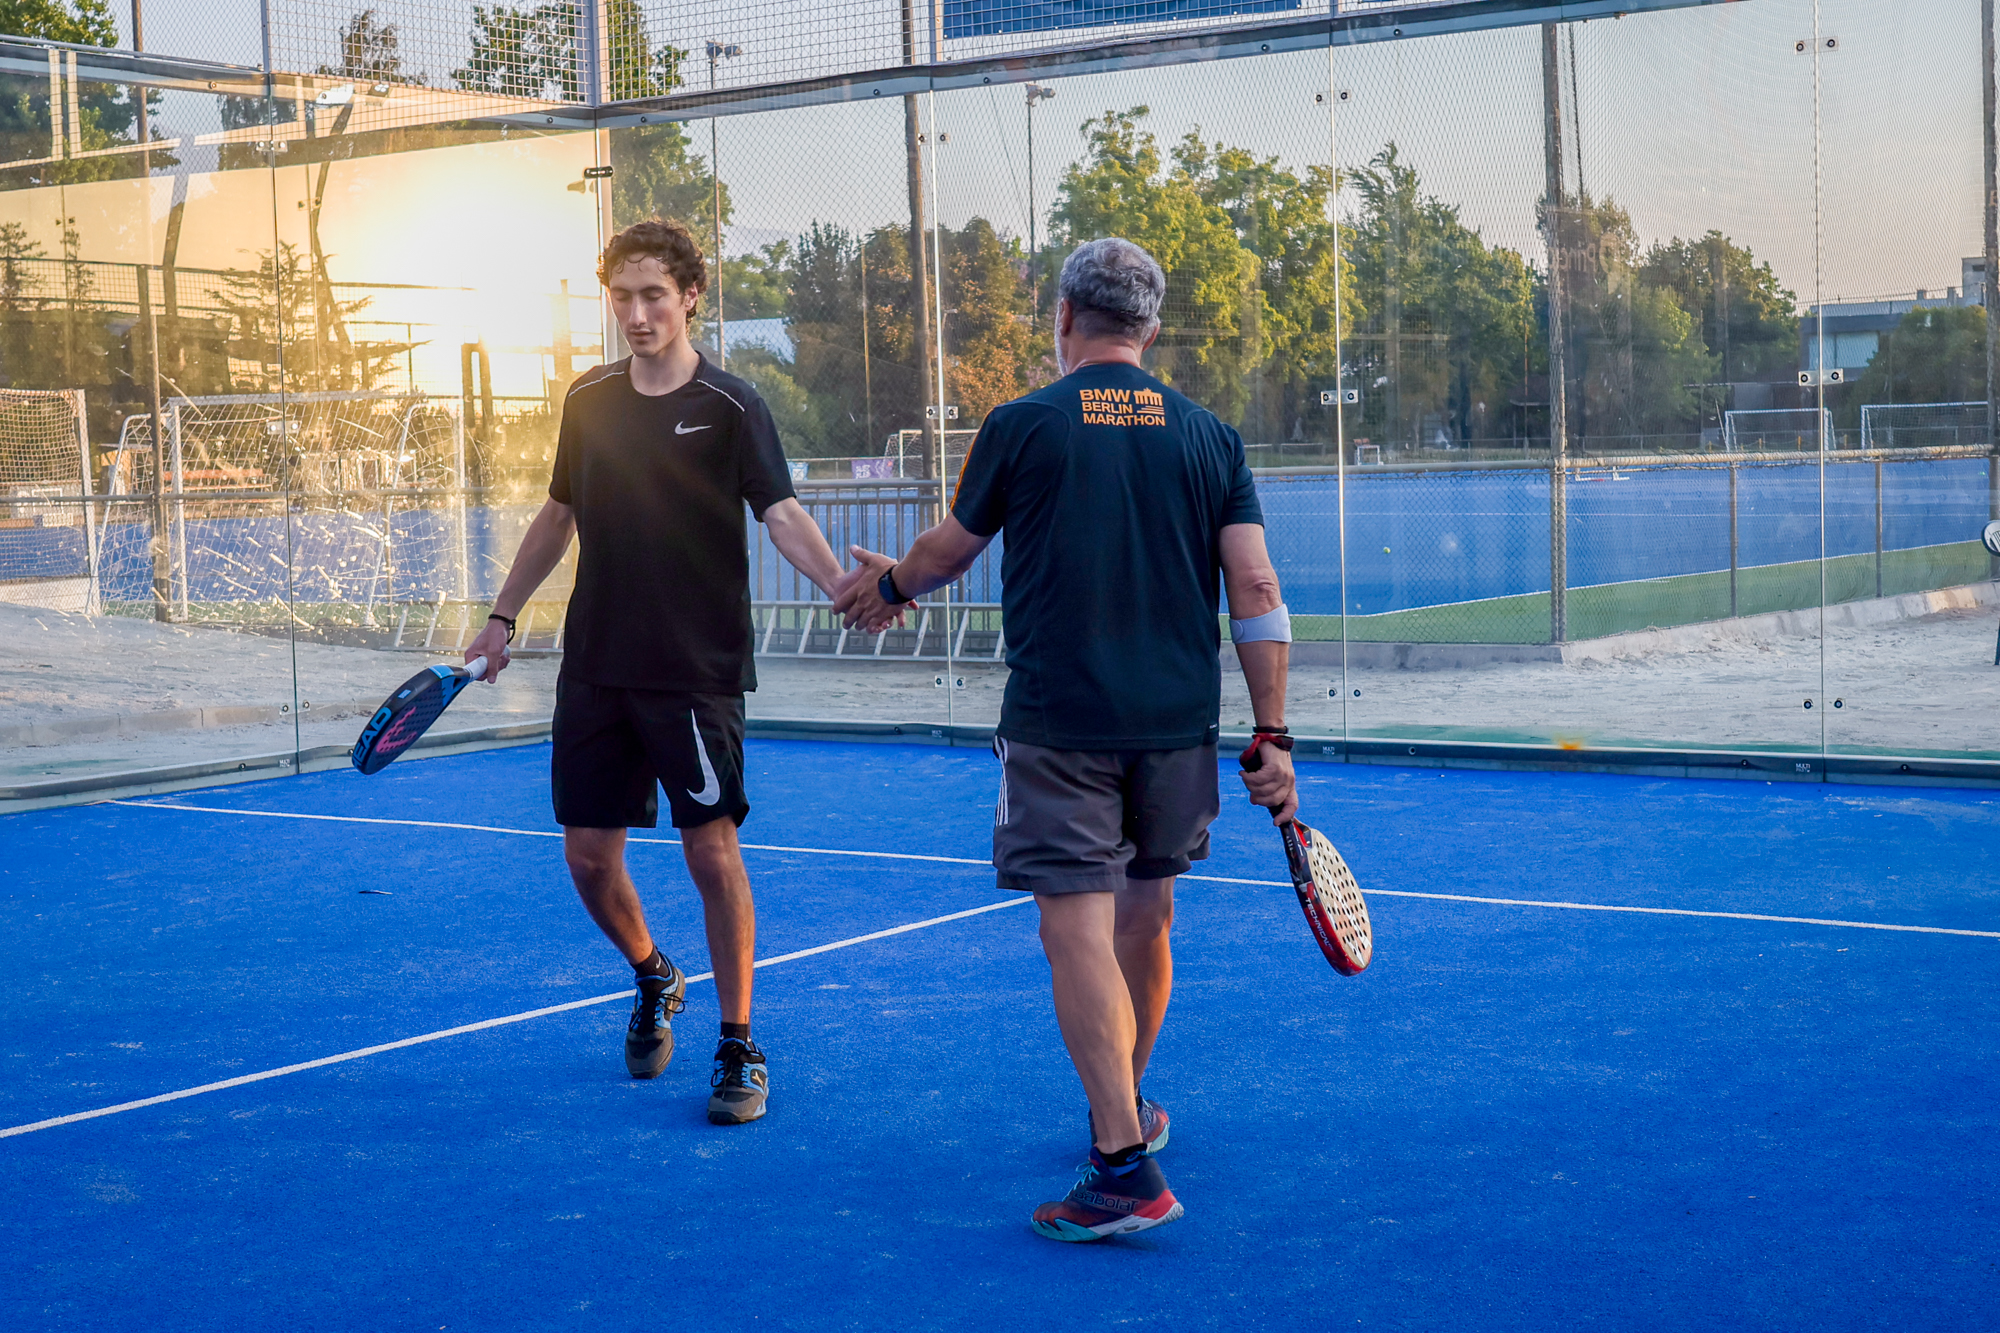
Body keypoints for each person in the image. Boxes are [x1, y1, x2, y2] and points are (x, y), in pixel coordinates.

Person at [833, 237, 1298, 1240]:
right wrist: (1273, 731)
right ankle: (1121, 1110)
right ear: (1150, 329)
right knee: (1146, 918)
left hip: (1060, 726)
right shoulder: (1211, 437)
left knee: (1074, 929)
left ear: (1061, 318)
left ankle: (1122, 1164)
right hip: (1176, 728)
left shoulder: (1023, 423)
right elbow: (1257, 590)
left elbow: (947, 552)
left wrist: (887, 587)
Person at [462, 219, 847, 1125]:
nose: (636, 314)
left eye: (653, 296)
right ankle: (653, 973)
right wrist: (501, 616)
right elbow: (558, 515)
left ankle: (739, 1042)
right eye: (622, 297)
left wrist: (840, 584)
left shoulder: (733, 405)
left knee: (711, 851)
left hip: (696, 669)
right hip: (598, 663)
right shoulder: (588, 399)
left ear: (689, 297)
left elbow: (780, 512)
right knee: (589, 858)